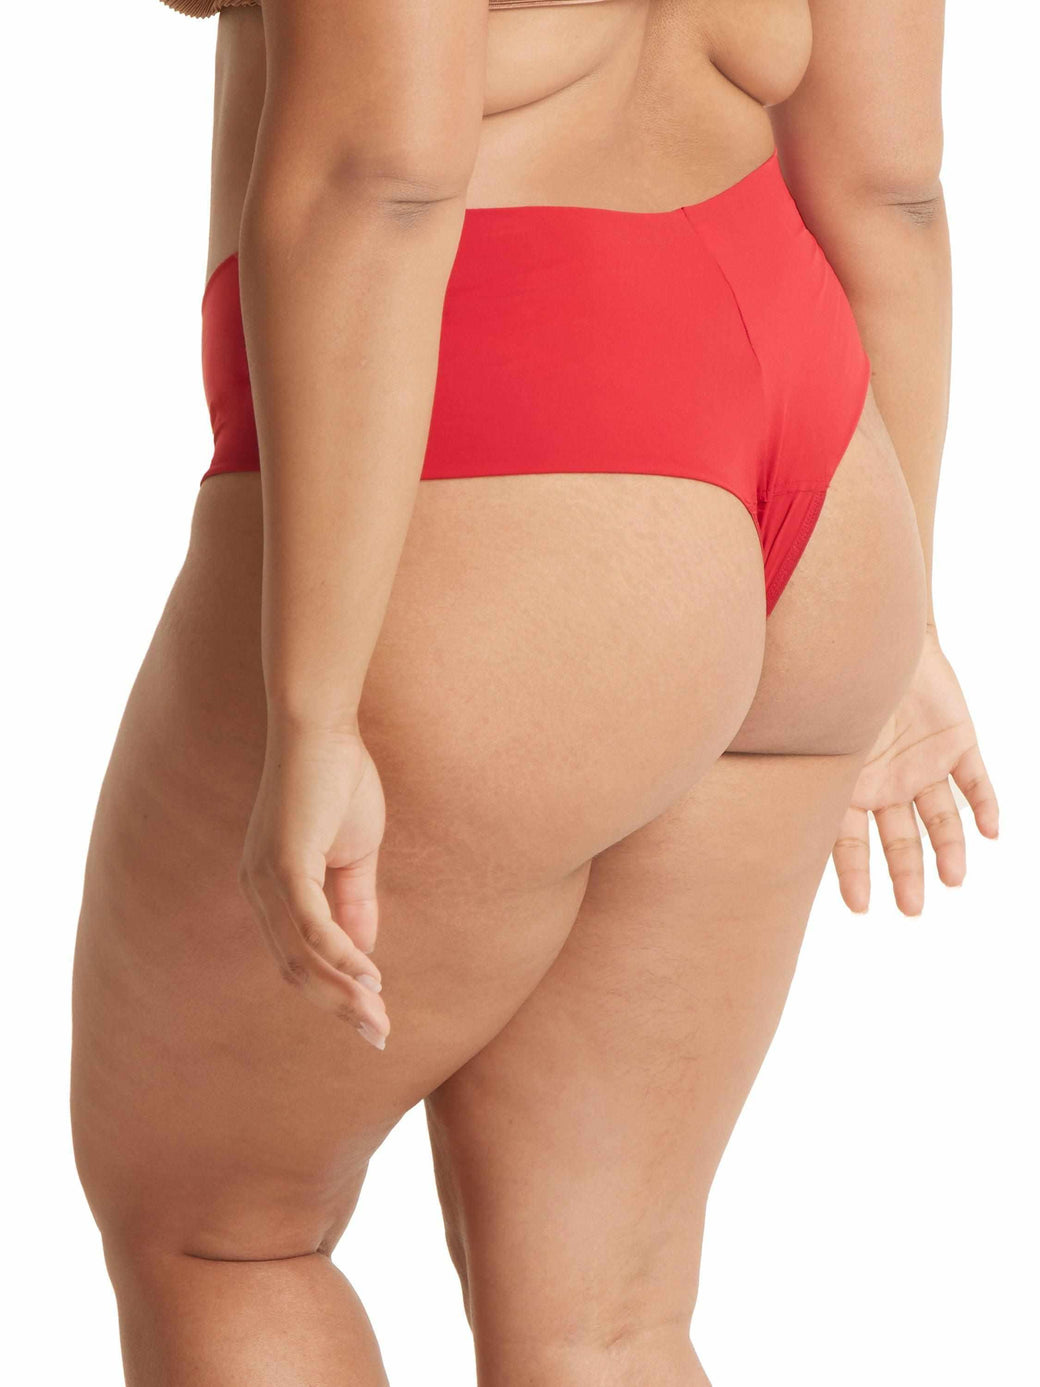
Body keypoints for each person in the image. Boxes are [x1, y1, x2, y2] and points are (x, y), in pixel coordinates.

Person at [71, 0, 998, 1382]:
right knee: (608, 1321)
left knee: (221, 1238)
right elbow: (891, 186)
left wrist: (315, 712)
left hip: (497, 444)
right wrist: (900, 611)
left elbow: (381, 175)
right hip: (817, 465)